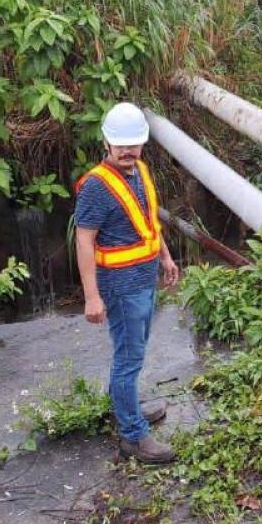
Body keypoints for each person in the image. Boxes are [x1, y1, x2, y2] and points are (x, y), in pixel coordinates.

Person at [75, 101, 180, 464]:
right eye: (120, 144)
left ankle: (127, 408)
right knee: (129, 357)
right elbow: (84, 240)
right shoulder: (96, 187)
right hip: (120, 286)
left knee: (133, 352)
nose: (127, 151)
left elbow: (149, 221)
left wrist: (165, 256)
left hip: (144, 277)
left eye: (133, 144)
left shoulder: (140, 171)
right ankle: (132, 435)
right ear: (105, 141)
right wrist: (91, 296)